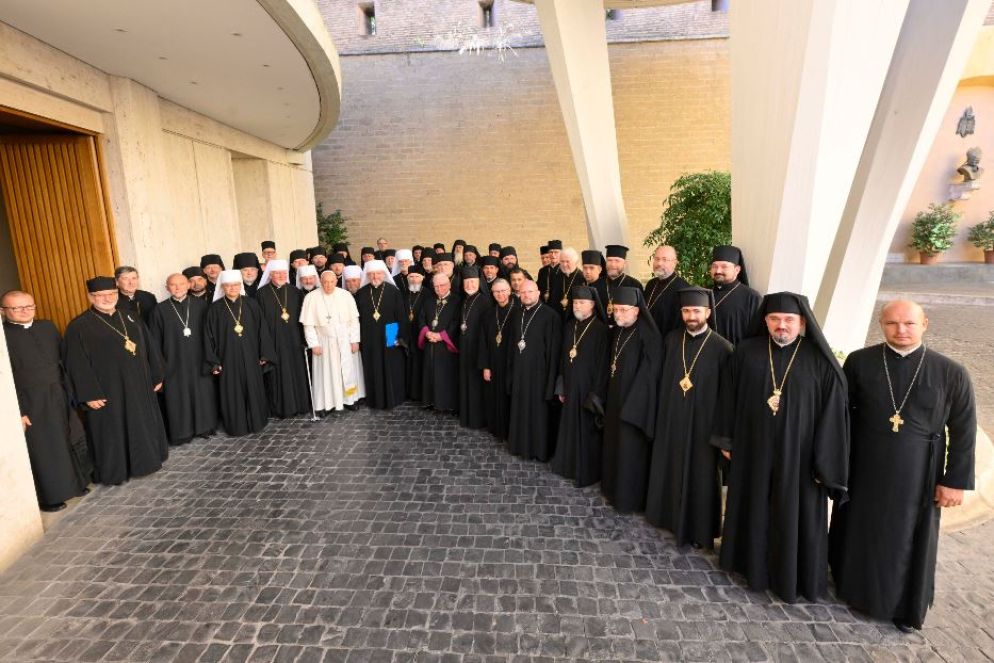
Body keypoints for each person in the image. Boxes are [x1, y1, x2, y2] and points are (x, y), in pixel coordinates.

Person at [829, 300, 976, 633]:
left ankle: (900, 605)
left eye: (909, 323)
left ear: (924, 324)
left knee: (906, 538)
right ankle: (852, 589)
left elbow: (964, 430)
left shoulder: (951, 372)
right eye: (892, 323)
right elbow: (841, 415)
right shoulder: (860, 362)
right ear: (881, 325)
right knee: (859, 528)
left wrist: (955, 481)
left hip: (918, 474)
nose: (901, 330)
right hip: (863, 468)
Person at [712, 292, 849, 603]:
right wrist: (726, 439)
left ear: (802, 323)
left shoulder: (819, 361)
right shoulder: (746, 352)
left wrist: (824, 462)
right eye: (775, 319)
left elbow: (832, 415)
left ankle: (791, 575)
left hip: (800, 459)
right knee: (753, 505)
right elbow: (727, 397)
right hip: (753, 449)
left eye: (789, 319)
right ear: (765, 321)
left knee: (793, 513)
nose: (781, 325)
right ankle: (748, 565)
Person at [645, 287, 732, 549]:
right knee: (669, 466)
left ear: (708, 312)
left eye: (696, 310)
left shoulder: (723, 348)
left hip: (703, 426)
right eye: (686, 311)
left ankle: (698, 529)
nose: (691, 316)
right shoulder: (672, 340)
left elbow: (728, 397)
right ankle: (665, 516)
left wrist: (722, 435)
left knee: (700, 475)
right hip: (671, 418)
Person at [64, 276, 168, 485]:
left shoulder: (130, 317)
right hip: (108, 391)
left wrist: (156, 375)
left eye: (111, 294)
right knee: (112, 431)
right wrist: (88, 394)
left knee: (142, 422)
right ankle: (117, 471)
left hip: (139, 385)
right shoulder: (79, 326)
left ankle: (147, 462)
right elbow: (75, 364)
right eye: (100, 295)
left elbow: (150, 347)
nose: (107, 298)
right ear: (90, 297)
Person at [3, 291, 89, 511]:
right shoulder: (3, 335)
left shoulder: (47, 327)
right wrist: (17, 412)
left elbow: (64, 359)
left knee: (70, 437)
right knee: (44, 448)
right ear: (3, 311)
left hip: (60, 393)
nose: (25, 311)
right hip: (30, 401)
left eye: (29, 306)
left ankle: (76, 484)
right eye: (17, 308)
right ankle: (50, 497)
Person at [600, 287, 661, 513]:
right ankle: (611, 489)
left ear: (636, 310)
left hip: (634, 408)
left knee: (630, 452)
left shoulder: (649, 336)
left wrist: (632, 407)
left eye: (623, 310)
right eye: (615, 309)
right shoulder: (619, 330)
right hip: (615, 400)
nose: (618, 314)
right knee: (614, 447)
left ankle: (628, 499)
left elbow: (649, 375)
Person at [147, 273, 218, 445]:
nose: (177, 287)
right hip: (173, 362)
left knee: (202, 394)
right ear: (167, 288)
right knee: (178, 397)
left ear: (188, 285)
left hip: (200, 360)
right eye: (173, 285)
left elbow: (211, 335)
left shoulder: (202, 306)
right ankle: (182, 432)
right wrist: (160, 368)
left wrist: (213, 360)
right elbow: (154, 342)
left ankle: (205, 427)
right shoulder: (159, 310)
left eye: (181, 284)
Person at [203, 269, 275, 436]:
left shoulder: (251, 304)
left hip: (251, 357)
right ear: (222, 287)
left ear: (240, 285)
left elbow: (262, 330)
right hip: (227, 359)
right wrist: (214, 362)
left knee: (253, 388)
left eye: (236, 285)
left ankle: (257, 422)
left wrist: (264, 353)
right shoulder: (214, 309)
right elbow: (208, 337)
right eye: (228, 285)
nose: (232, 288)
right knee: (232, 392)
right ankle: (236, 426)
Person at [550, 286, 609, 487]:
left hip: (588, 390)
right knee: (568, 427)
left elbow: (603, 366)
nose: (577, 306)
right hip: (569, 386)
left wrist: (595, 394)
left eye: (581, 303)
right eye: (575, 302)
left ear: (592, 305)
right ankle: (566, 466)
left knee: (586, 430)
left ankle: (585, 472)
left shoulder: (601, 330)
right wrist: (561, 387)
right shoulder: (569, 326)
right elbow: (562, 359)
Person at [506, 280, 561, 461]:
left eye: (530, 291)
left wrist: (551, 383)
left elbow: (553, 352)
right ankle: (519, 446)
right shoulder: (517, 314)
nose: (526, 295)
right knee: (519, 410)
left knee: (538, 414)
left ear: (538, 293)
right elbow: (512, 345)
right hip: (519, 373)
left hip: (540, 375)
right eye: (523, 292)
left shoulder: (550, 316)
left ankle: (539, 450)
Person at [255, 260, 312, 418]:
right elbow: (259, 323)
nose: (280, 276)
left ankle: (301, 405)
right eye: (276, 273)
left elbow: (303, 318)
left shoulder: (295, 292)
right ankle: (283, 409)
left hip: (295, 341)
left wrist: (304, 340)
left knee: (297, 372)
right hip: (273, 342)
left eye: (283, 273)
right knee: (278, 376)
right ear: (270, 275)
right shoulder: (261, 294)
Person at [301, 270, 362, 414]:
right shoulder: (311, 297)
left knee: (347, 372)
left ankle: (350, 400)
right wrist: (314, 344)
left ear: (336, 281)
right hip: (324, 343)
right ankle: (326, 404)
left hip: (345, 341)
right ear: (320, 282)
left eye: (331, 282)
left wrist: (354, 340)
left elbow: (354, 321)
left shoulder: (345, 295)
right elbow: (308, 325)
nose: (328, 285)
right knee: (326, 375)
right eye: (325, 282)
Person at [356, 260, 408, 409]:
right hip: (369, 337)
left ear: (384, 274)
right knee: (373, 367)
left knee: (390, 366)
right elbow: (357, 319)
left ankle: (393, 398)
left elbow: (401, 316)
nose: (375, 277)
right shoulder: (361, 293)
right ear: (367, 275)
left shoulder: (393, 291)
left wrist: (397, 338)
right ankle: (375, 399)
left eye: (378, 273)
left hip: (390, 333)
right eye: (371, 274)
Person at [418, 272, 461, 413]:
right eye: (436, 286)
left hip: (445, 346)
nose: (439, 289)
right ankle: (431, 401)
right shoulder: (428, 301)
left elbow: (456, 322)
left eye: (442, 285)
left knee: (444, 375)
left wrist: (441, 335)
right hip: (430, 343)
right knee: (430, 372)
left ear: (449, 285)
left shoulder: (457, 301)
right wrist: (427, 333)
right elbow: (421, 318)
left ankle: (444, 404)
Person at [480, 278, 517, 440]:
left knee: (510, 396)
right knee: (494, 396)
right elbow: (482, 342)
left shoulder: (518, 312)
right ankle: (496, 427)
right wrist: (485, 366)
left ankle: (510, 430)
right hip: (493, 362)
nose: (500, 294)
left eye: (503, 291)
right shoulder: (489, 314)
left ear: (509, 291)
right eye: (496, 292)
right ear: (492, 294)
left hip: (511, 363)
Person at [457, 266, 492, 428]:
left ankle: (477, 419)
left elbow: (486, 332)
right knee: (466, 382)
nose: (469, 285)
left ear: (479, 283)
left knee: (476, 386)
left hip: (478, 350)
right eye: (467, 282)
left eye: (473, 281)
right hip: (465, 350)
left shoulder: (485, 301)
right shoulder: (465, 300)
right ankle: (467, 416)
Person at [709, 245, 762, 346]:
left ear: (737, 270)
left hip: (736, 354)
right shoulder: (704, 293)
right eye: (714, 266)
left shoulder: (752, 298)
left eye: (724, 267)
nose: (718, 271)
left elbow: (758, 336)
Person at [644, 245, 690, 336]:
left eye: (664, 260)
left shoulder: (683, 289)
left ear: (674, 263)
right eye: (657, 259)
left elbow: (681, 324)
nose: (659, 263)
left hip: (667, 340)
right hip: (646, 337)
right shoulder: (651, 284)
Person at [402, 268, 428, 403]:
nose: (414, 280)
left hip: (421, 336)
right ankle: (407, 392)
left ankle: (419, 394)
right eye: (411, 277)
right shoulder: (402, 294)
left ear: (422, 278)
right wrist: (392, 338)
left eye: (417, 277)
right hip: (405, 336)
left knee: (419, 365)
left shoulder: (428, 294)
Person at [602, 245, 643, 317]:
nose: (612, 264)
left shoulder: (635, 285)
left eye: (617, 261)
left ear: (625, 264)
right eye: (609, 260)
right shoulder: (596, 284)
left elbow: (640, 313)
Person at [548, 247, 583, 319]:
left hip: (574, 318)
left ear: (575, 262)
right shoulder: (556, 276)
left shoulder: (582, 277)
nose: (564, 265)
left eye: (567, 261)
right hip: (557, 317)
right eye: (562, 261)